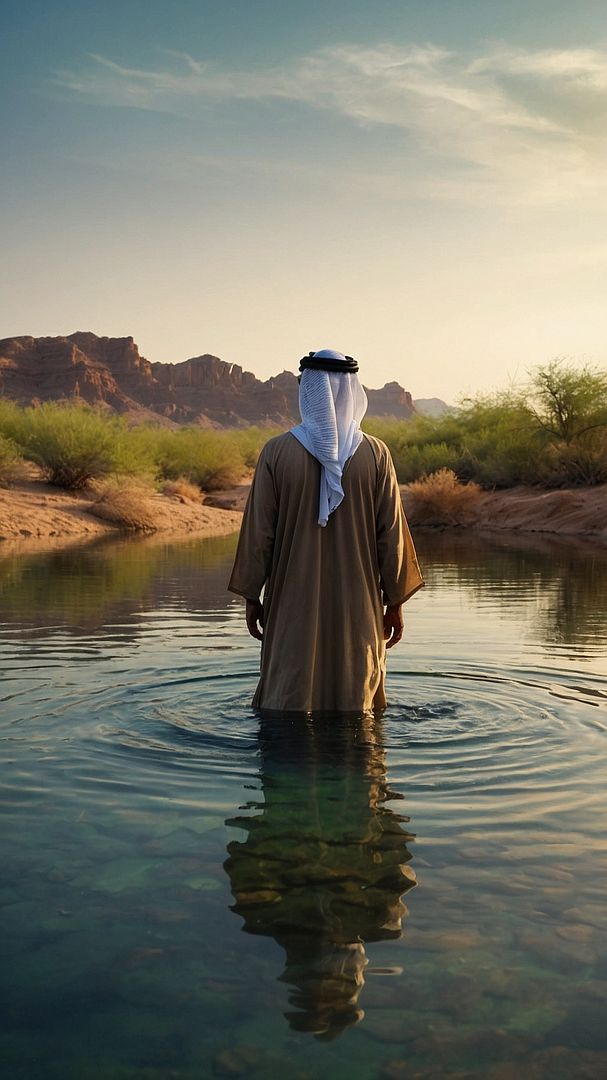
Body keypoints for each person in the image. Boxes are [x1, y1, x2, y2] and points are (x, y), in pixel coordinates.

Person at [228, 349, 424, 713]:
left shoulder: (276, 452)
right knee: (357, 701)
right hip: (360, 602)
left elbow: (259, 533)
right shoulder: (377, 455)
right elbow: (392, 537)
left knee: (288, 697)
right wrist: (394, 603)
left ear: (308, 392)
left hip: (291, 601)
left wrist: (252, 595)